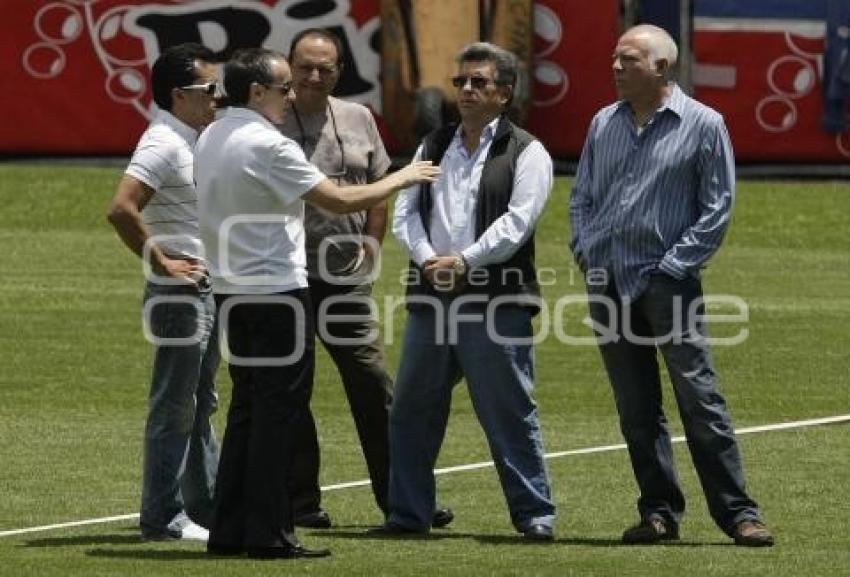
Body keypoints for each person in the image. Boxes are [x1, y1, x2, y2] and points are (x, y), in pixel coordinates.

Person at [194, 47, 439, 559]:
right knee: (278, 414)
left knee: (246, 410)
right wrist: (404, 177)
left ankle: (231, 528)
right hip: (276, 293)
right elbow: (338, 199)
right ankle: (270, 533)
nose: (292, 95)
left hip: (231, 292)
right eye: (283, 87)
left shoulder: (213, 134)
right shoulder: (267, 143)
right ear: (257, 91)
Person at [569, 24, 774, 547]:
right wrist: (586, 248)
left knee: (699, 400)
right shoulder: (602, 123)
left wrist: (672, 267)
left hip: (669, 284)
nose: (615, 67)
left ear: (661, 67)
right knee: (636, 409)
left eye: (628, 60)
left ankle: (739, 514)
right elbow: (582, 195)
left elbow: (717, 209)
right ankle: (658, 512)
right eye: (615, 58)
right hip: (608, 281)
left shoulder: (705, 125)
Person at [277, 27, 453, 530]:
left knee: (374, 383)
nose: (314, 75)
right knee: (291, 388)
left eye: (325, 68)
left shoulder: (358, 117)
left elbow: (377, 188)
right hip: (283, 275)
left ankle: (404, 498)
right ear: (288, 66)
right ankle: (300, 503)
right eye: (305, 66)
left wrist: (372, 245)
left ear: (339, 71)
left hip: (344, 278)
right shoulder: (267, 119)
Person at [387, 42, 556, 541]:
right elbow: (405, 214)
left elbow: (520, 221)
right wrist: (428, 262)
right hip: (432, 297)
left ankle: (535, 516)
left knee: (508, 411)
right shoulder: (431, 144)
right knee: (412, 409)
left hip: (496, 300)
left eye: (478, 82)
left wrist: (466, 261)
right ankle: (408, 514)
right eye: (461, 81)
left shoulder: (528, 151)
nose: (465, 90)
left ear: (504, 93)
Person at [106, 43, 221, 542]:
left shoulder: (192, 138)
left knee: (200, 400)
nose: (218, 97)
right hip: (180, 296)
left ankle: (207, 508)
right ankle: (163, 517)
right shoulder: (163, 142)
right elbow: (121, 208)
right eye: (208, 89)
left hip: (202, 289)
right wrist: (163, 261)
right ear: (179, 95)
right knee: (175, 405)